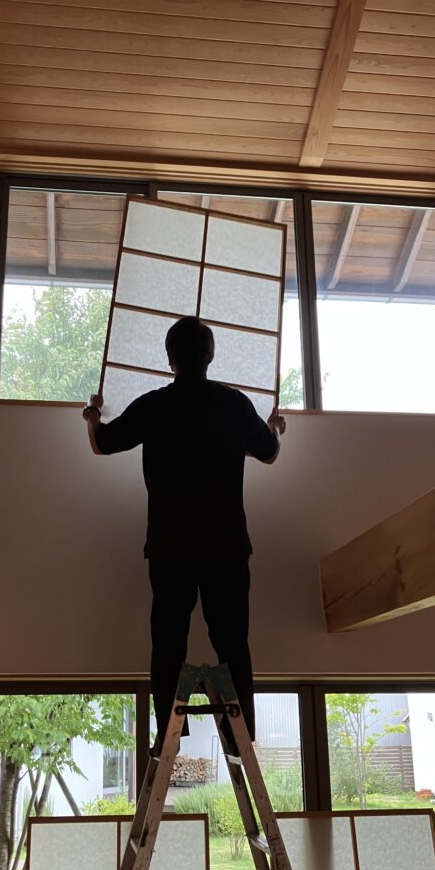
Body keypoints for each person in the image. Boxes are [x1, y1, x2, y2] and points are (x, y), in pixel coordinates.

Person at [83, 315, 285, 753]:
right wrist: (275, 428)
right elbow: (269, 452)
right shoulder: (233, 404)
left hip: (169, 546)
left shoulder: (153, 405)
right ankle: (241, 735)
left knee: (167, 641)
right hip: (227, 546)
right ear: (210, 356)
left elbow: (102, 443)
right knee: (232, 640)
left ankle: (168, 735)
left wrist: (92, 415)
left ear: (169, 358)